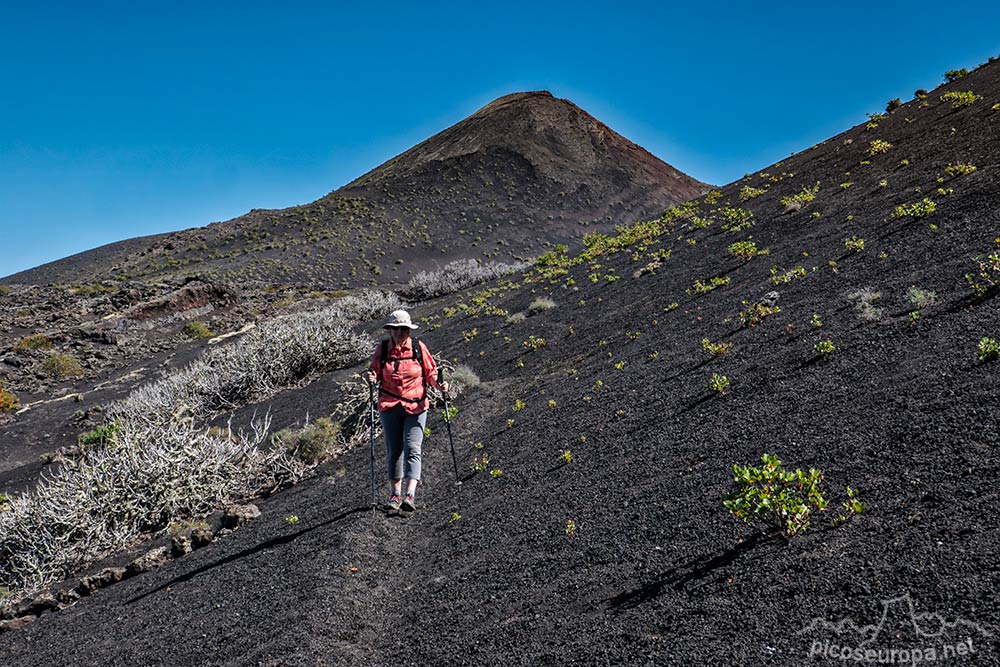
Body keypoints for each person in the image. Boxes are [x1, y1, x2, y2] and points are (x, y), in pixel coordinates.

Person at [364, 309, 448, 512]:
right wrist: (371, 378)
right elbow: (374, 370)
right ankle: (395, 495)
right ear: (390, 331)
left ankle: (409, 495)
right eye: (396, 329)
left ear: (408, 330)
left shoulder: (418, 348)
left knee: (413, 448)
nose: (400, 333)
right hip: (390, 406)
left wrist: (439, 385)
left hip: (416, 406)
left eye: (403, 329)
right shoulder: (383, 349)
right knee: (395, 450)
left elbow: (431, 374)